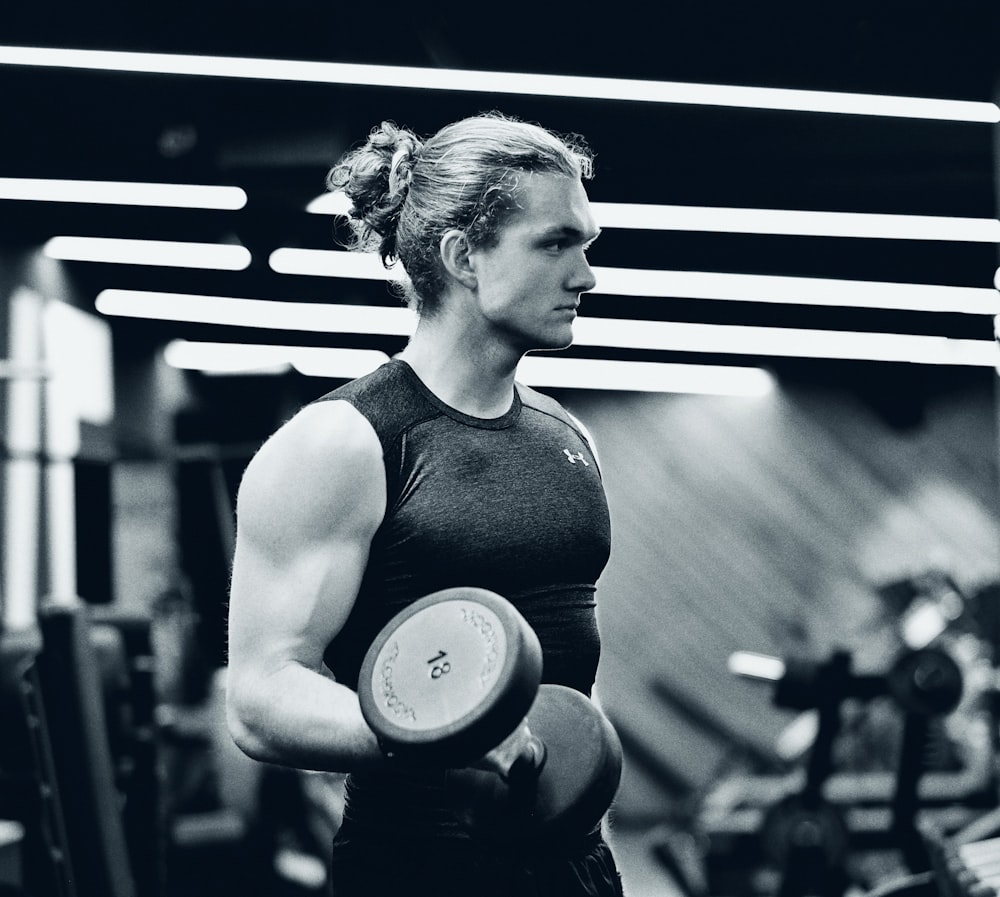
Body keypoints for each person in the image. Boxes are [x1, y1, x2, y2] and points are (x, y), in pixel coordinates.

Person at [226, 112, 624, 896]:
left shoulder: (568, 437)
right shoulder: (344, 443)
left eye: (588, 244)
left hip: (573, 869)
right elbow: (262, 692)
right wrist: (442, 733)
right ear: (462, 256)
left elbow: (573, 678)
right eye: (555, 243)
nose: (587, 275)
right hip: (418, 869)